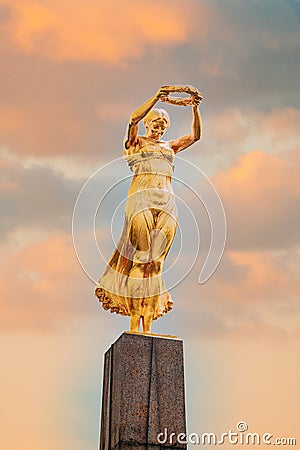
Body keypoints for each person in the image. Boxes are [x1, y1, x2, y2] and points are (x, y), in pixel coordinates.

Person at [95, 85, 202, 333]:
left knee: (156, 265)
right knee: (140, 260)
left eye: (164, 124)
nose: (160, 126)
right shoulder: (135, 144)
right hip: (141, 201)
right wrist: (157, 97)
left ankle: (148, 328)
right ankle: (134, 326)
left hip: (167, 203)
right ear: (148, 123)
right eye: (156, 122)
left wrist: (195, 107)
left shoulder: (170, 148)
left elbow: (195, 136)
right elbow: (132, 118)